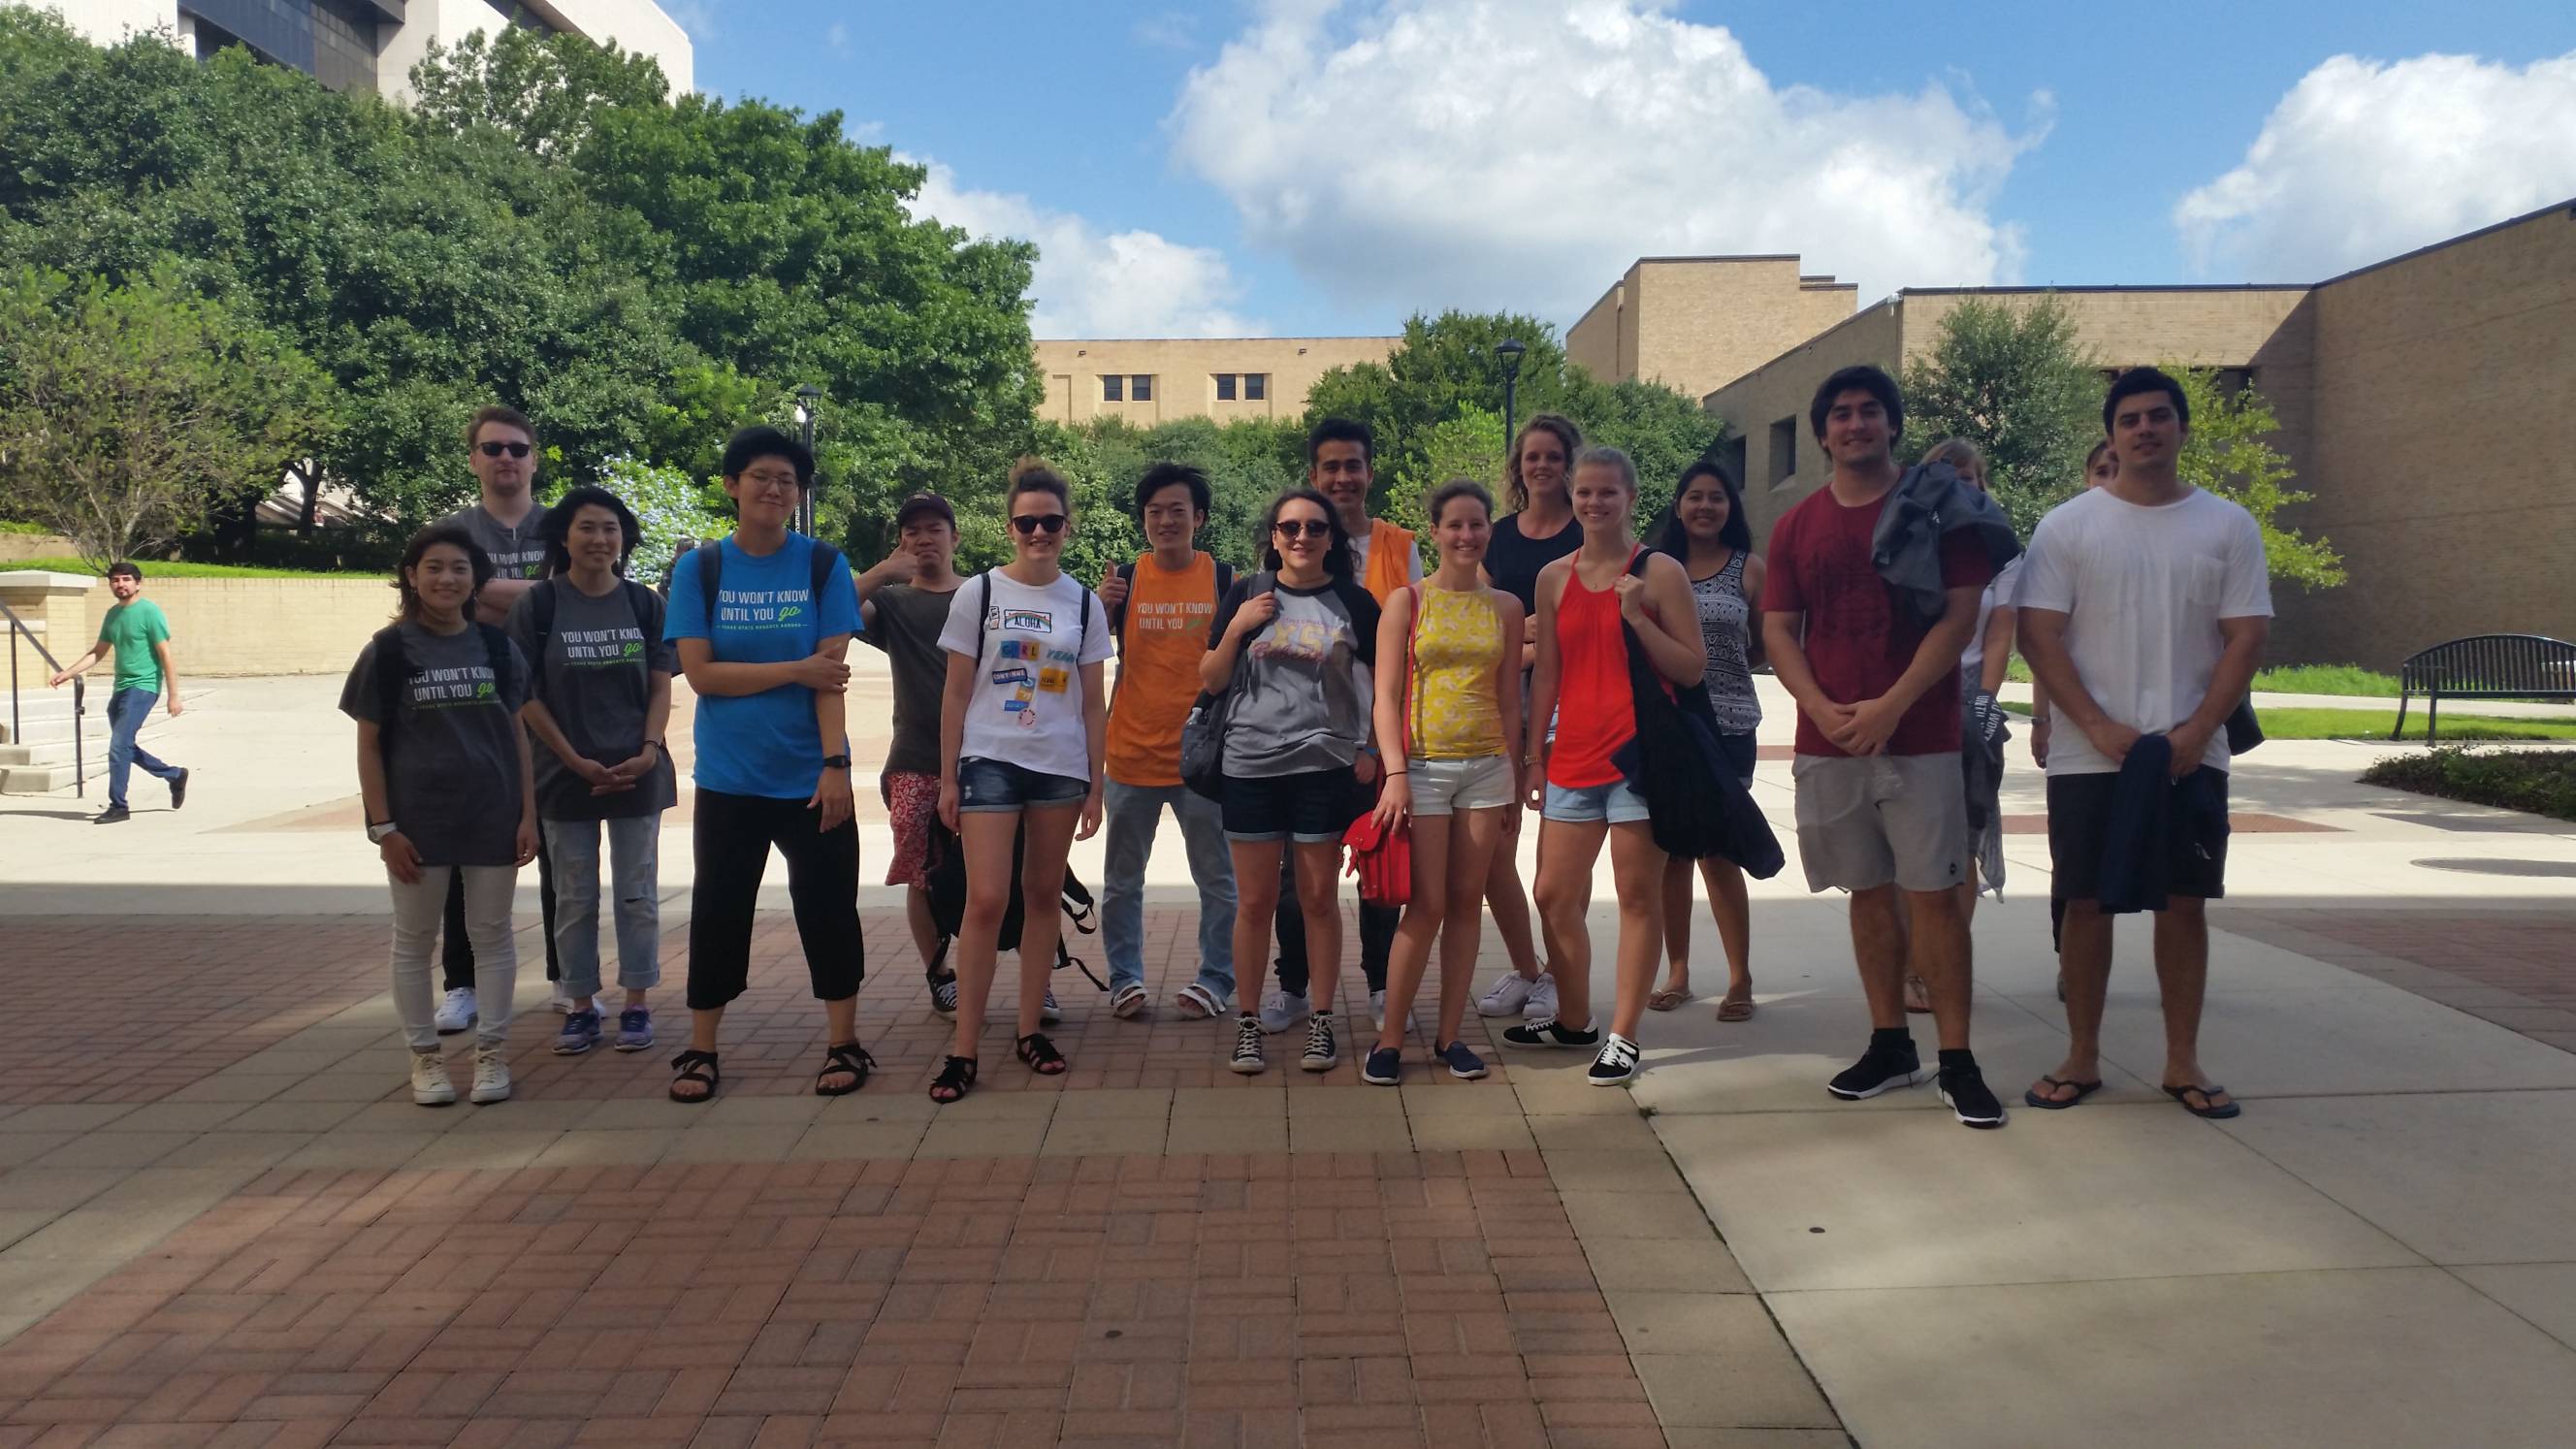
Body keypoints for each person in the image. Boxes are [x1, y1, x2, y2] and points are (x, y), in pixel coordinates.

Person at [2016, 368, 2270, 1118]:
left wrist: (2198, 731)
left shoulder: (2228, 526)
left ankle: (2182, 1062)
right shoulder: (2068, 526)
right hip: (2088, 756)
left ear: (2182, 429)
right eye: (2130, 419)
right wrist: (2093, 726)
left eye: (2160, 416)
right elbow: (2040, 634)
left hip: (2191, 754)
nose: (2146, 429)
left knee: (2183, 904)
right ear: (2113, 435)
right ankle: (2082, 1056)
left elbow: (2245, 636)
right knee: (2085, 904)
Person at [1760, 365, 2008, 1129]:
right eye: (1840, 414)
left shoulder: (1938, 509)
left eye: (1870, 412)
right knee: (1867, 893)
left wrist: (1891, 706)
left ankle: (1958, 1061)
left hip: (1923, 736)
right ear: (1823, 433)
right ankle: (1891, 1045)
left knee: (1934, 896)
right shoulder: (1797, 524)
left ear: (1893, 425)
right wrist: (1821, 708)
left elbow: (1961, 618)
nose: (1855, 424)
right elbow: (1778, 629)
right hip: (1829, 740)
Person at [662, 426, 869, 1104]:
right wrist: (794, 667)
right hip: (729, 778)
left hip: (812, 776)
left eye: (787, 479)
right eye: (760, 476)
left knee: (829, 908)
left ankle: (844, 1042)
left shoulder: (822, 565)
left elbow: (829, 678)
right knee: (720, 910)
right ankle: (701, 1047)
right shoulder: (700, 569)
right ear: (732, 485)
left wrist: (835, 765)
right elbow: (701, 676)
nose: (775, 489)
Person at [1508, 448, 1704, 1086]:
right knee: (1553, 895)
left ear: (1630, 496)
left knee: (1636, 898)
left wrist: (1636, 616)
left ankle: (1623, 1035)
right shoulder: (1554, 577)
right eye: (1584, 493)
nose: (1594, 503)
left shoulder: (1659, 572)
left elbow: (1691, 667)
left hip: (1640, 756)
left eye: (1607, 493)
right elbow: (1549, 675)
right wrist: (1535, 756)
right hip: (1572, 752)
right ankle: (1573, 1018)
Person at [928, 461, 1112, 1102]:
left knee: (1041, 898)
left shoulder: (1084, 603)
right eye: (1028, 521)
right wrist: (948, 779)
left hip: (1059, 767)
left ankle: (1030, 1029)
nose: (1040, 531)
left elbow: (1093, 703)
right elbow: (954, 695)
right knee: (985, 901)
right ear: (1011, 527)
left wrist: (1096, 783)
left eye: (1051, 522)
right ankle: (964, 1048)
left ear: (1067, 527)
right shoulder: (978, 594)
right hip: (991, 761)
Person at [341, 525, 537, 1107]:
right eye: (434, 567)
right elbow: (369, 745)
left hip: (492, 815)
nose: (446, 579)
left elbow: (518, 736)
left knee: (493, 936)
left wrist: (528, 813)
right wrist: (384, 828)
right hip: (418, 823)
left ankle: (492, 1052)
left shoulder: (498, 648)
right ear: (412, 576)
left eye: (459, 568)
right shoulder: (389, 650)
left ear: (476, 578)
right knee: (415, 939)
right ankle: (424, 1057)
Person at [1205, 489, 1383, 1076]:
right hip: (1250, 764)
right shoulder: (1247, 594)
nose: (1301, 537)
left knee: (1317, 900)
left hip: (1322, 767)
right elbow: (1208, 680)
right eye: (1289, 528)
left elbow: (1384, 686)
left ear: (1331, 537)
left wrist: (1374, 750)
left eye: (1313, 527)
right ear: (1274, 537)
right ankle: (1249, 1023)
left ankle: (1324, 1021)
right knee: (1255, 902)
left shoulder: (1355, 603)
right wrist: (1237, 630)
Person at [1360, 480, 1524, 1085]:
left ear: (1488, 529)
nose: (1466, 535)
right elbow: (1384, 696)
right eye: (1454, 525)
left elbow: (1509, 701)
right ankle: (1391, 1039)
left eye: (1477, 524)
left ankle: (1451, 1035)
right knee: (1424, 907)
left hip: (1486, 769)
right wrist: (1395, 773)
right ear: (1434, 531)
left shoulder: (1504, 606)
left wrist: (1518, 768)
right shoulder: (1408, 601)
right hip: (1423, 769)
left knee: (1464, 905)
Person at [505, 486, 677, 1057]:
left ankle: (636, 1003)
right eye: (587, 528)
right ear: (564, 537)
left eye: (610, 528)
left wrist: (651, 748)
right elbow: (524, 694)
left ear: (623, 538)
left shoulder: (644, 603)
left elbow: (659, 683)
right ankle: (580, 1006)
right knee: (573, 896)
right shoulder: (539, 605)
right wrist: (570, 757)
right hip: (564, 774)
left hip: (637, 770)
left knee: (637, 894)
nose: (600, 539)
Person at [1262, 419, 1411, 1036]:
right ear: (1315, 475)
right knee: (1296, 881)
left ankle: (1381, 983)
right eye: (1331, 467)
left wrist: (1381, 745)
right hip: (1301, 740)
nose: (1343, 477)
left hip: (1375, 738)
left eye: (1354, 465)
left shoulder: (1399, 546)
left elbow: (1411, 640)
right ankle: (1294, 987)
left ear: (1370, 472)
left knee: (1378, 871)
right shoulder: (1296, 539)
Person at [433, 404, 561, 1032]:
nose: (505, 459)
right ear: (474, 459)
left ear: (534, 458)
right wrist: (539, 596)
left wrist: (491, 597)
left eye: (517, 448)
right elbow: (453, 594)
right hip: (473, 708)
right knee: (468, 848)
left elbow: (582, 596)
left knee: (561, 843)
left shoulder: (563, 528)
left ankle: (570, 976)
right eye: (492, 449)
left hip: (558, 705)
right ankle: (462, 982)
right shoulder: (453, 532)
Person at [1096, 463, 1240, 1020]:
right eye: (1154, 511)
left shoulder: (1225, 580)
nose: (1166, 520)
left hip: (1203, 760)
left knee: (1218, 878)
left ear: (1198, 518)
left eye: (1178, 510)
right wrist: (1100, 609)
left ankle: (1215, 978)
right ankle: (1125, 979)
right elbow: (1087, 654)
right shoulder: (1124, 582)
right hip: (1129, 754)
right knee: (1120, 882)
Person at [1899, 437, 2024, 1015]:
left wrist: (1984, 702)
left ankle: (1943, 963)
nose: (1958, 484)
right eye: (1944, 475)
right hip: (1914, 694)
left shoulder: (2003, 554)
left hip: (1971, 694)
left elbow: (2000, 633)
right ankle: (1909, 965)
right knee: (1913, 844)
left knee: (1964, 843)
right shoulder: (1904, 542)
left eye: (1969, 476)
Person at [1474, 414, 1584, 1023]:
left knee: (1556, 863)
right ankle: (1528, 968)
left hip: (1573, 706)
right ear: (1518, 467)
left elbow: (1592, 631)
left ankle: (1564, 980)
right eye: (1530, 457)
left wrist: (1528, 642)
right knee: (1496, 851)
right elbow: (1478, 626)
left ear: (1569, 462)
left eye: (1551, 456)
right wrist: (1524, 641)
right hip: (1501, 704)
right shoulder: (1498, 537)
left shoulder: (1586, 533)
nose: (1540, 466)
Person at [1646, 459, 1764, 1022]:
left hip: (1732, 723)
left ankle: (1740, 977)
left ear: (1730, 508)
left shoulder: (1749, 569)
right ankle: (1679, 972)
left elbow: (1767, 642)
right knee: (1673, 852)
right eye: (1694, 496)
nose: (1705, 506)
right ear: (1678, 505)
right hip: (1671, 726)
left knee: (1720, 852)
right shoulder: (1653, 568)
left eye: (1717, 497)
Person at [856, 492, 968, 1009]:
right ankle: (939, 975)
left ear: (955, 537)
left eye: (934, 528)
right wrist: (882, 572)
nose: (924, 538)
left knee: (1002, 871)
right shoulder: (893, 603)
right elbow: (825, 614)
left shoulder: (981, 595)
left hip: (986, 758)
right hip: (914, 760)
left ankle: (1036, 979)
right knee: (921, 874)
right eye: (913, 531)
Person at [48, 561, 189, 824]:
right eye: (115, 580)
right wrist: (68, 673)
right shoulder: (112, 615)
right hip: (121, 688)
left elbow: (166, 655)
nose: (120, 584)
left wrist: (173, 695)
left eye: (126, 579)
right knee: (124, 747)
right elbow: (98, 652)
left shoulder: (149, 612)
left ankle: (119, 806)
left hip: (143, 687)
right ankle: (173, 774)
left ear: (138, 582)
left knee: (118, 746)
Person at [2028, 439, 2122, 770]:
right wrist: (2041, 718)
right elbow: (2044, 642)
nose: (2109, 480)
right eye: (2101, 472)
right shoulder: (2064, 533)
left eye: (2118, 471)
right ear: (2086, 478)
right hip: (2079, 730)